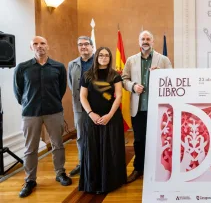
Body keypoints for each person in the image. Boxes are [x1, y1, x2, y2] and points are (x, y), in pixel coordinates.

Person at [13, 36, 72, 198]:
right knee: (30, 149)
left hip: (54, 111)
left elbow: (61, 89)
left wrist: (51, 101)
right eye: (35, 44)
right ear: (31, 48)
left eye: (43, 43)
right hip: (30, 113)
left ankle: (60, 173)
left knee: (58, 144)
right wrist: (28, 103)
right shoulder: (22, 68)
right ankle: (30, 180)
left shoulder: (58, 67)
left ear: (48, 46)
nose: (39, 46)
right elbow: (18, 92)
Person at [122, 30, 172, 183]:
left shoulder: (163, 59)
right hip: (138, 108)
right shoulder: (131, 60)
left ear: (153, 42)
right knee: (139, 140)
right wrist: (133, 86)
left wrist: (161, 74)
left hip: (158, 109)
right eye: (142, 39)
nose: (145, 41)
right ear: (139, 42)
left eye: (148, 39)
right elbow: (124, 79)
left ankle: (158, 168)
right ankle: (138, 168)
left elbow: (172, 79)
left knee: (159, 140)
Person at [79, 47, 127, 193]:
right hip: (92, 118)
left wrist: (109, 115)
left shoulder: (114, 75)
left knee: (110, 150)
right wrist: (91, 113)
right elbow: (82, 96)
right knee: (92, 150)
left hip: (111, 118)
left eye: (107, 55)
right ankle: (93, 183)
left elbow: (119, 96)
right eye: (101, 55)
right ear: (96, 57)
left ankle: (110, 183)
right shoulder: (87, 75)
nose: (104, 57)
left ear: (110, 58)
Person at [67, 36, 95, 177]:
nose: (83, 47)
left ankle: (97, 164)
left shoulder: (100, 61)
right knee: (81, 137)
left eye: (86, 44)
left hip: (98, 107)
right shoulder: (72, 64)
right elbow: (72, 85)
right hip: (79, 106)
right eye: (80, 45)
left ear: (92, 46)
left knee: (98, 135)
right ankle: (81, 163)